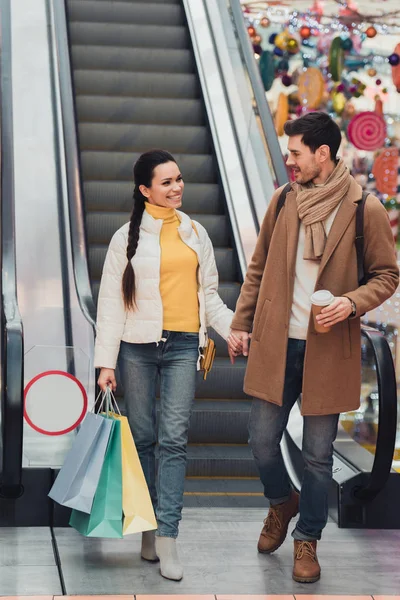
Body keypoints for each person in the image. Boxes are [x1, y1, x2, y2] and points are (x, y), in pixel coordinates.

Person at [227, 112, 399, 583]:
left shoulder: (366, 209)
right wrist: (242, 324)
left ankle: (308, 539)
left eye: (296, 152)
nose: (289, 160)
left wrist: (349, 302)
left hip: (328, 349)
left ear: (322, 154)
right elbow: (258, 269)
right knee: (261, 441)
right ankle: (282, 503)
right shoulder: (283, 201)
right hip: (277, 346)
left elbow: (387, 275)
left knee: (318, 456)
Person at [95, 149, 234, 581]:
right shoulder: (124, 238)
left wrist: (232, 329)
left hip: (183, 346)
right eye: (167, 182)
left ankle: (169, 537)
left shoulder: (194, 231)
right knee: (143, 438)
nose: (177, 187)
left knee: (174, 438)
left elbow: (209, 295)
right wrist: (105, 362)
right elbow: (110, 304)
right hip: (136, 347)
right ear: (145, 190)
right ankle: (149, 528)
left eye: (179, 179)